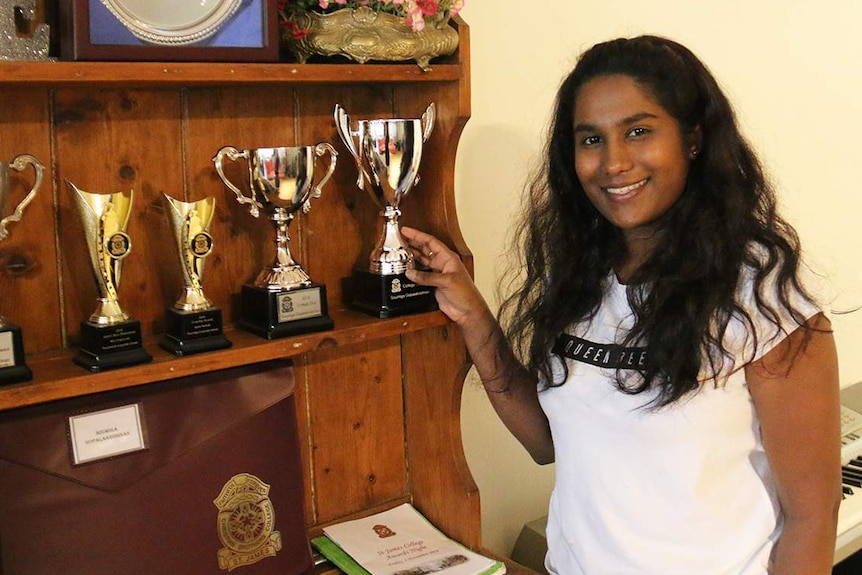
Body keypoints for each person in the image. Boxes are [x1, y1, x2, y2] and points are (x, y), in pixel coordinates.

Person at [401, 35, 841, 575]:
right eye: (591, 139)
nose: (613, 162)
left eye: (638, 131)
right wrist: (473, 313)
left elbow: (812, 518)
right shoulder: (582, 277)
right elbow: (547, 441)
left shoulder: (763, 296)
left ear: (693, 139)